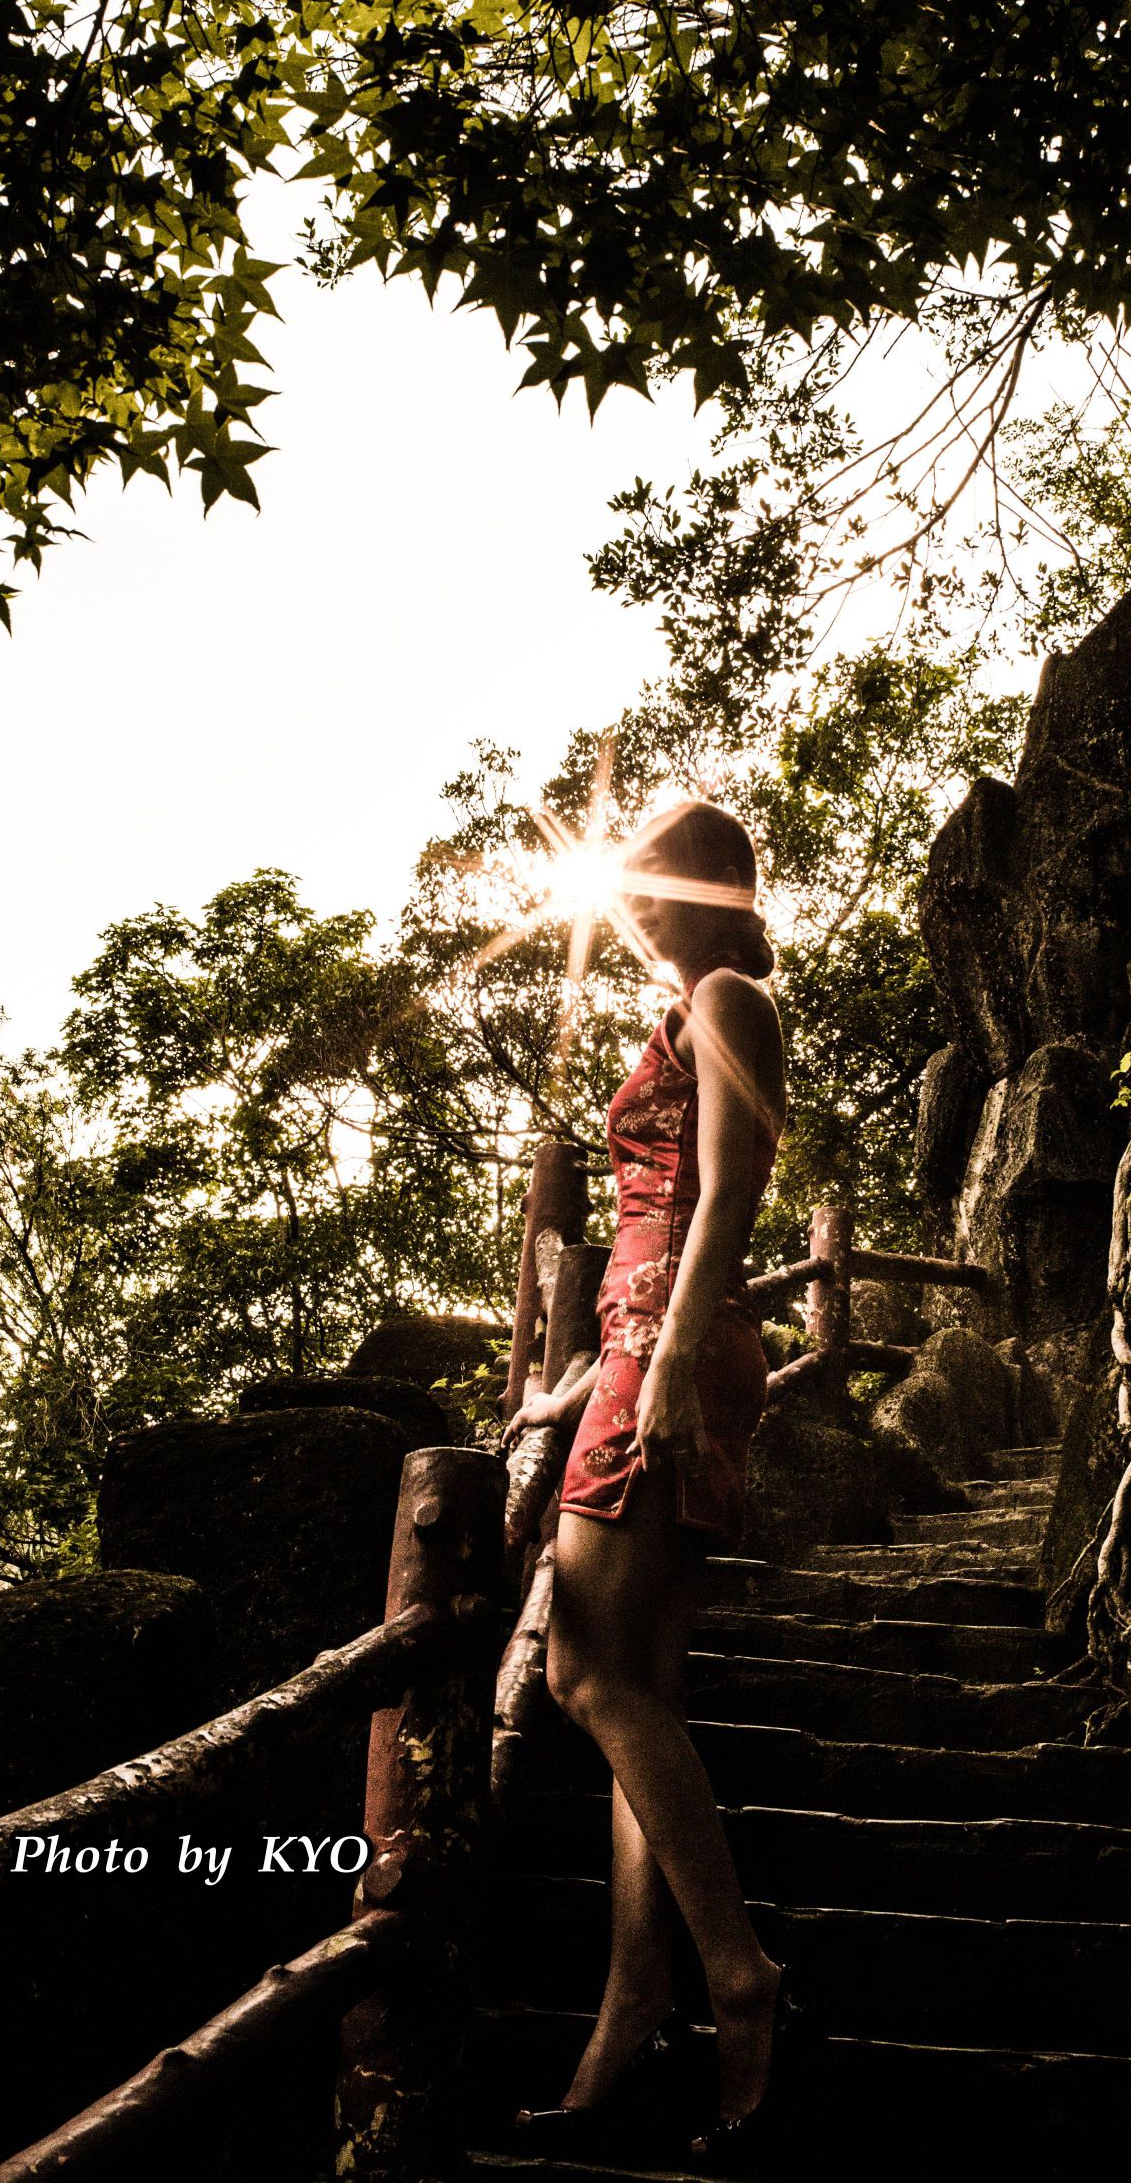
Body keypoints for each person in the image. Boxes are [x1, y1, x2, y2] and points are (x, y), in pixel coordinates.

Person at [501, 798, 795, 2163]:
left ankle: (736, 1977)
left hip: (664, 1343)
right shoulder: (691, 1010)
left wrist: (666, 1359)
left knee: (580, 1670)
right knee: (644, 1695)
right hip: (652, 1344)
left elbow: (731, 1190)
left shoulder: (729, 994)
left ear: (727, 886)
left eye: (663, 880)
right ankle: (634, 2008)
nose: (641, 905)